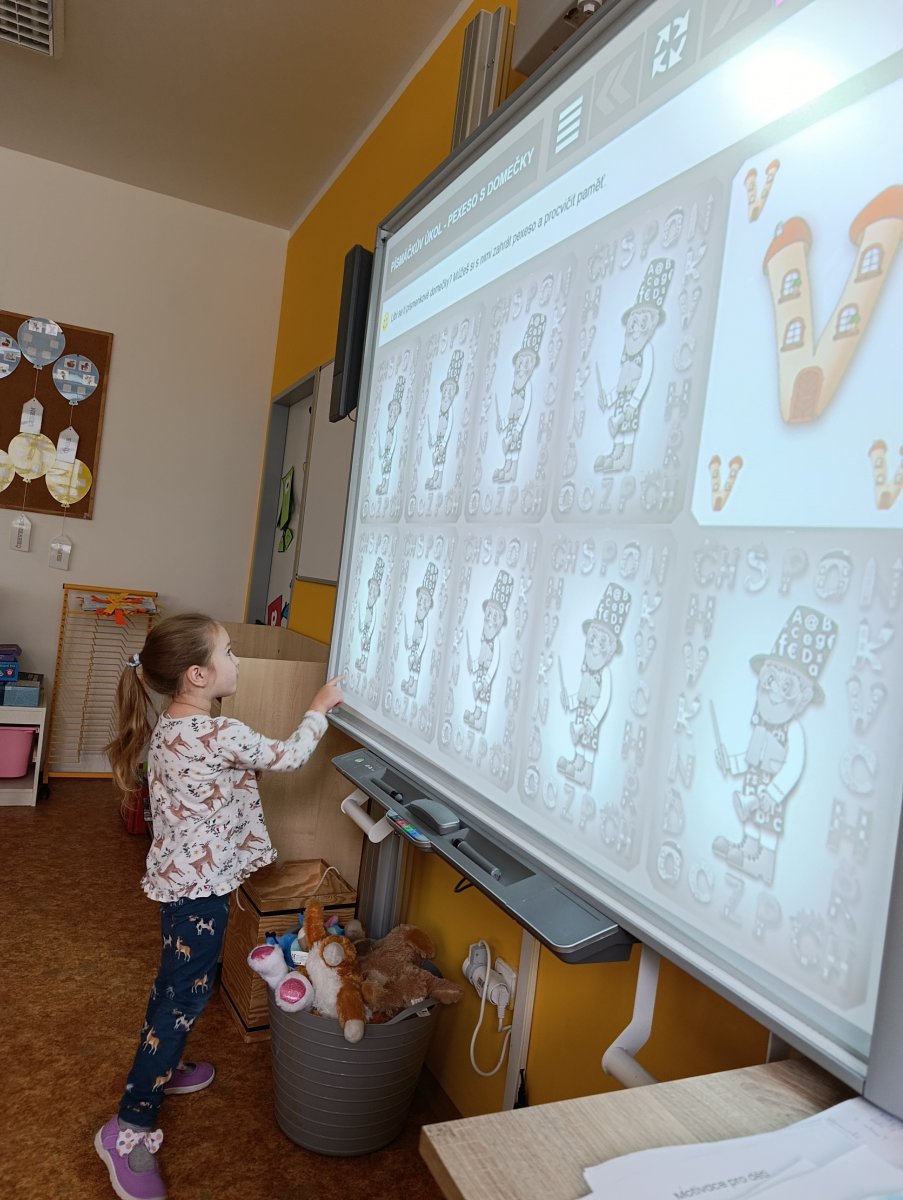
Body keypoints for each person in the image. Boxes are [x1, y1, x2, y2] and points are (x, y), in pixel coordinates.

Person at [95, 612, 343, 1200]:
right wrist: (318, 707)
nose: (237, 661)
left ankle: (165, 1058)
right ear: (199, 674)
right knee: (186, 994)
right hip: (198, 892)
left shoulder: (173, 725)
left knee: (177, 984)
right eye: (229, 653)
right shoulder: (218, 733)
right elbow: (288, 757)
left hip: (179, 884)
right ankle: (130, 1126)